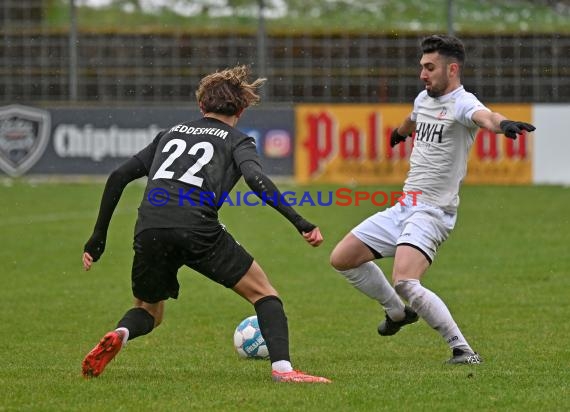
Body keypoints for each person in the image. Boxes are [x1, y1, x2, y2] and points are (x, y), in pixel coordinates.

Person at [81, 65, 331, 383]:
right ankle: (283, 370)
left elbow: (118, 176)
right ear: (240, 110)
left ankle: (121, 332)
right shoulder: (238, 140)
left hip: (150, 227)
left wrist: (97, 237)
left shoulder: (168, 134)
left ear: (201, 106)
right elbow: (255, 178)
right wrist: (300, 222)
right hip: (196, 226)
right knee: (265, 295)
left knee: (148, 310)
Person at [329, 34, 535, 364]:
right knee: (342, 257)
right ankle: (396, 314)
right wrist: (400, 133)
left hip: (432, 212)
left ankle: (463, 350)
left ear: (452, 69)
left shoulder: (463, 103)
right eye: (421, 67)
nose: (422, 74)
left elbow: (487, 116)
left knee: (406, 281)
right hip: (405, 206)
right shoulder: (423, 99)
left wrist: (504, 124)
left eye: (430, 67)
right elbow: (413, 118)